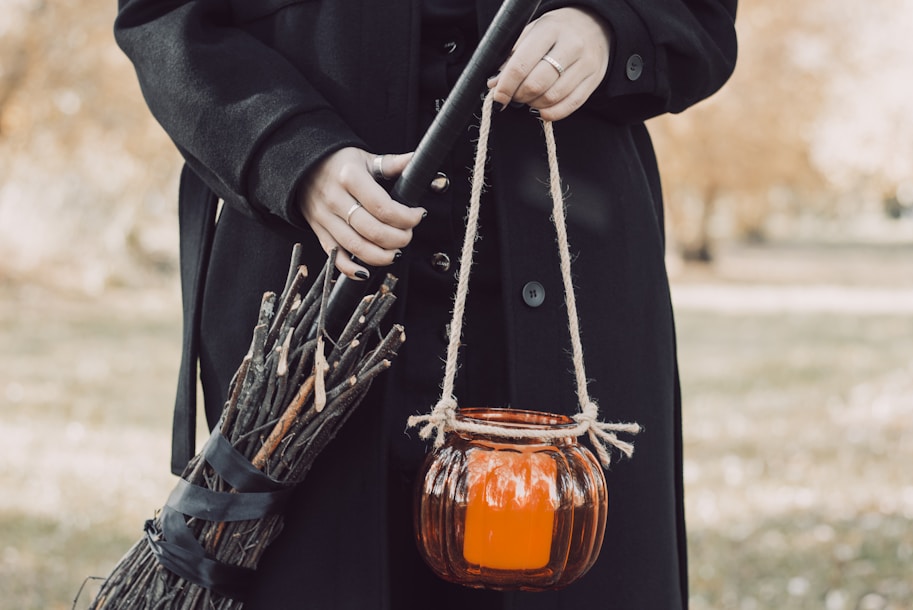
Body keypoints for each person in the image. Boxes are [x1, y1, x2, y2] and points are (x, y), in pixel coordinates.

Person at [114, 0, 737, 607]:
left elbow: (701, 14)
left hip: (572, 289)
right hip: (310, 293)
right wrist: (291, 152)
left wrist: (607, 27)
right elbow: (163, 18)